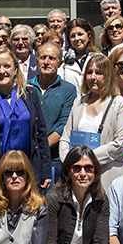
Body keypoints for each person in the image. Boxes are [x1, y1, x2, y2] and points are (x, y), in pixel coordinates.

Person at [0, 48, 52, 202]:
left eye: (6, 66)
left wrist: (45, 171)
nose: (2, 71)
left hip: (29, 171)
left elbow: (41, 135)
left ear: (15, 69)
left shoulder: (31, 95)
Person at [59, 55, 123, 189]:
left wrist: (86, 159)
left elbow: (119, 143)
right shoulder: (79, 102)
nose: (93, 77)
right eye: (89, 72)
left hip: (107, 175)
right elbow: (65, 138)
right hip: (79, 176)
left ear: (108, 76)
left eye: (98, 73)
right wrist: (70, 161)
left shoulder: (120, 104)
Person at [28, 42, 78, 187]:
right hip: (28, 156)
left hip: (54, 159)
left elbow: (64, 124)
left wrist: (41, 147)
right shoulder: (26, 87)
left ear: (60, 62)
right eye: (43, 57)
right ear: (36, 60)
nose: (46, 62)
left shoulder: (69, 90)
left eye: (52, 58)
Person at [59, 18, 101, 90]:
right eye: (73, 36)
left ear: (89, 35)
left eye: (80, 34)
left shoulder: (100, 58)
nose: (76, 38)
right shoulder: (63, 59)